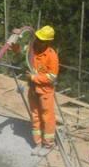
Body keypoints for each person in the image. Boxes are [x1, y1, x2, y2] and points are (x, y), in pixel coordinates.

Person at [12, 25, 59, 154]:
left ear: (48, 42)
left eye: (41, 40)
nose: (37, 41)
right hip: (33, 89)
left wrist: (33, 77)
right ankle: (38, 142)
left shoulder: (51, 56)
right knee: (35, 116)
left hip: (44, 92)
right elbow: (22, 53)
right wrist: (15, 42)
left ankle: (48, 144)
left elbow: (52, 77)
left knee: (47, 117)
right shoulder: (32, 49)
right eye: (37, 38)